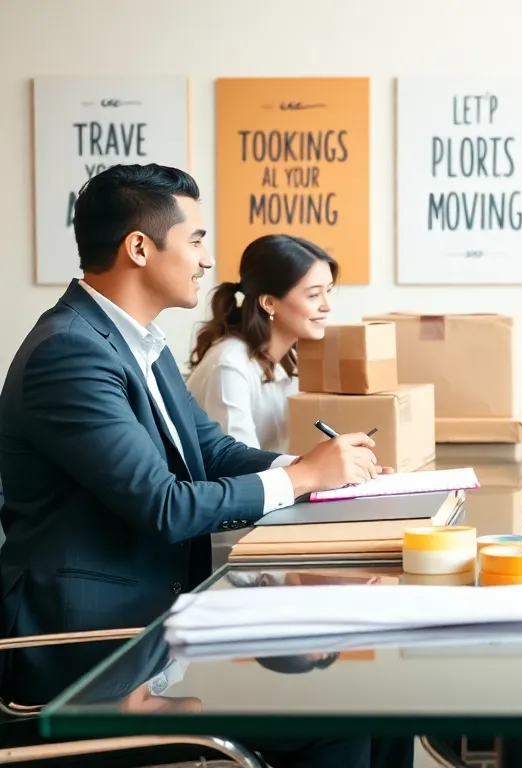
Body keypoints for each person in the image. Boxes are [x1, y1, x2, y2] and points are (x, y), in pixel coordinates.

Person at [0, 163, 406, 767]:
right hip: (93, 655)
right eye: (195, 239)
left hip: (156, 625)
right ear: (140, 247)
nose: (208, 260)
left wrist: (322, 465)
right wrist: (302, 478)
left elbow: (210, 451)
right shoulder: (70, 352)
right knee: (338, 721)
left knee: (381, 704)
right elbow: (164, 506)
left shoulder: (139, 341)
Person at [186, 234, 338, 452]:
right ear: (269, 303)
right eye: (314, 295)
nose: (327, 306)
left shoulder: (289, 359)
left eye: (328, 291)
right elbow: (239, 466)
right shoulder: (230, 366)